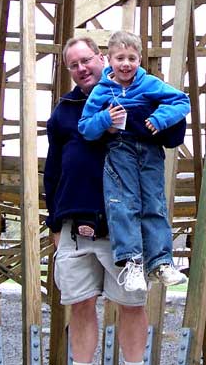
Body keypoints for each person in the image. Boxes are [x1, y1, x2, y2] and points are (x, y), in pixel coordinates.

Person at [44, 36, 148, 365]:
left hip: (123, 226)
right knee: (80, 304)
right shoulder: (64, 111)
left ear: (101, 57)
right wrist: (54, 222)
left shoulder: (132, 95)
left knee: (132, 304)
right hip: (75, 227)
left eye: (86, 60)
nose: (81, 68)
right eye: (73, 65)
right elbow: (53, 170)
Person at [78, 30, 190, 292]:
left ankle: (161, 262)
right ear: (109, 60)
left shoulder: (149, 83)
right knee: (123, 205)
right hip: (119, 150)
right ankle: (132, 263)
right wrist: (106, 119)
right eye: (120, 58)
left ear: (140, 60)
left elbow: (182, 101)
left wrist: (160, 118)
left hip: (150, 149)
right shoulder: (102, 90)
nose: (126, 64)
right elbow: (85, 127)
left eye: (131, 58)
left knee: (154, 203)